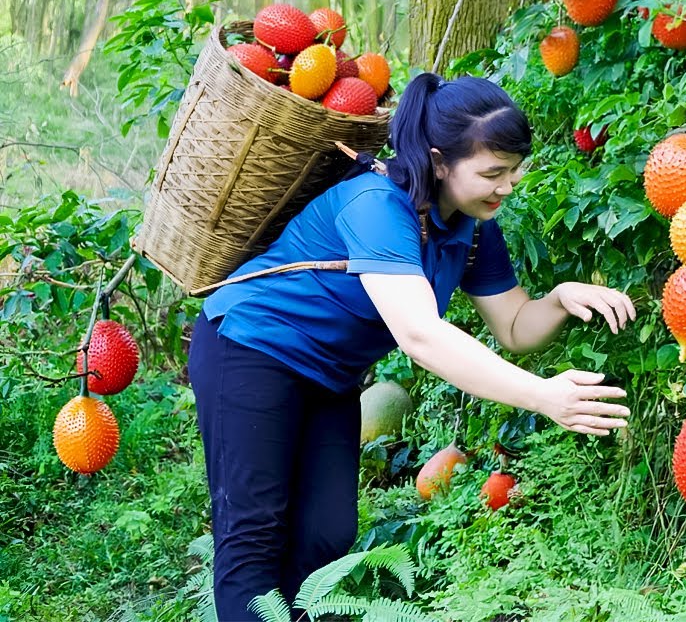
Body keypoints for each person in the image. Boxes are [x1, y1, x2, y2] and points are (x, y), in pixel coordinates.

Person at [187, 72, 634, 620]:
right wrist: (543, 396)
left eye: (514, 170)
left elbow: (515, 325)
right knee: (253, 539)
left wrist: (560, 299)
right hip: (249, 348)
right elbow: (420, 335)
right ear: (440, 162)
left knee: (326, 534)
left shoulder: (472, 226)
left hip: (329, 374)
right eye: (493, 173)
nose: (508, 186)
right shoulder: (376, 205)